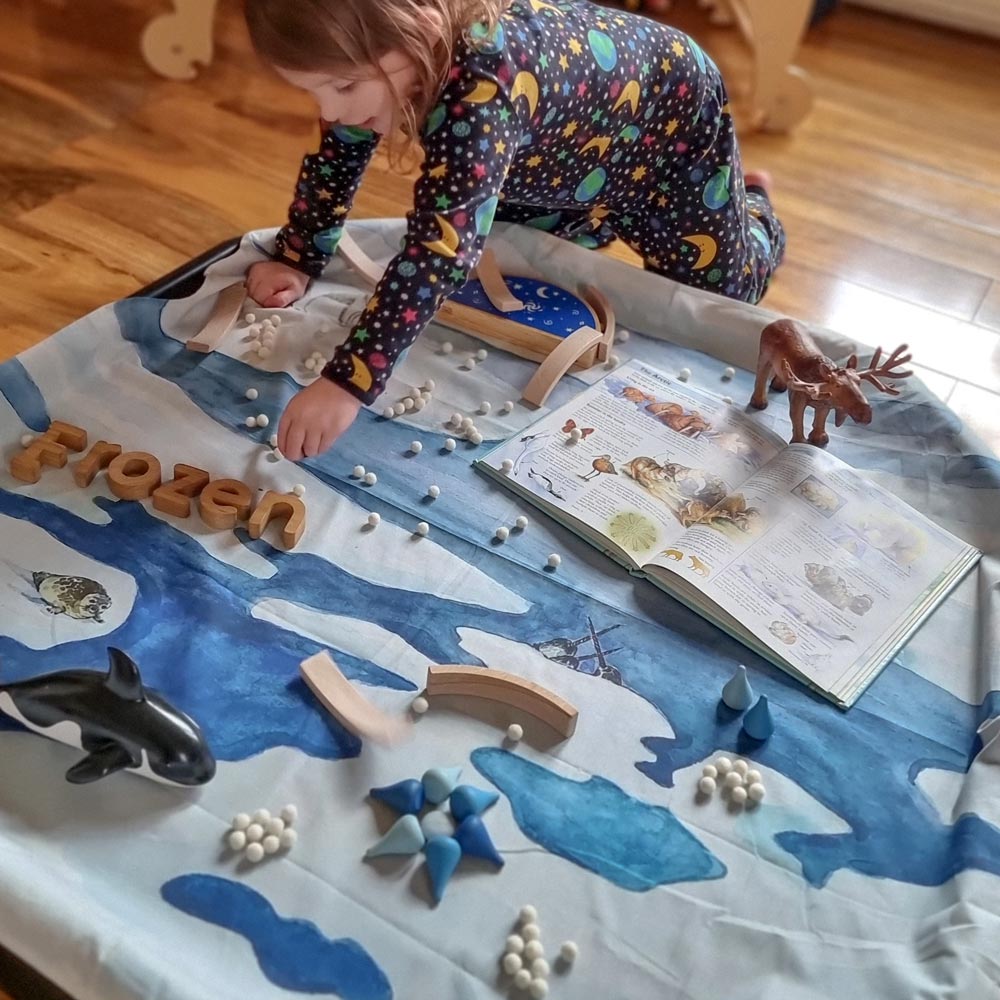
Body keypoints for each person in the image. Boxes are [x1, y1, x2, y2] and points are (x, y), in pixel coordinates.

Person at [244, 0, 786, 460]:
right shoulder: (388, 60)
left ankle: (755, 210)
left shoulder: (482, 92)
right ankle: (611, 208)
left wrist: (347, 383)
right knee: (522, 250)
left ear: (421, 27)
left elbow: (441, 250)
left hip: (671, 121)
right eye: (314, 92)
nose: (331, 109)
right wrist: (298, 256)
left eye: (342, 85)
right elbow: (338, 156)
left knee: (724, 293)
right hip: (561, 155)